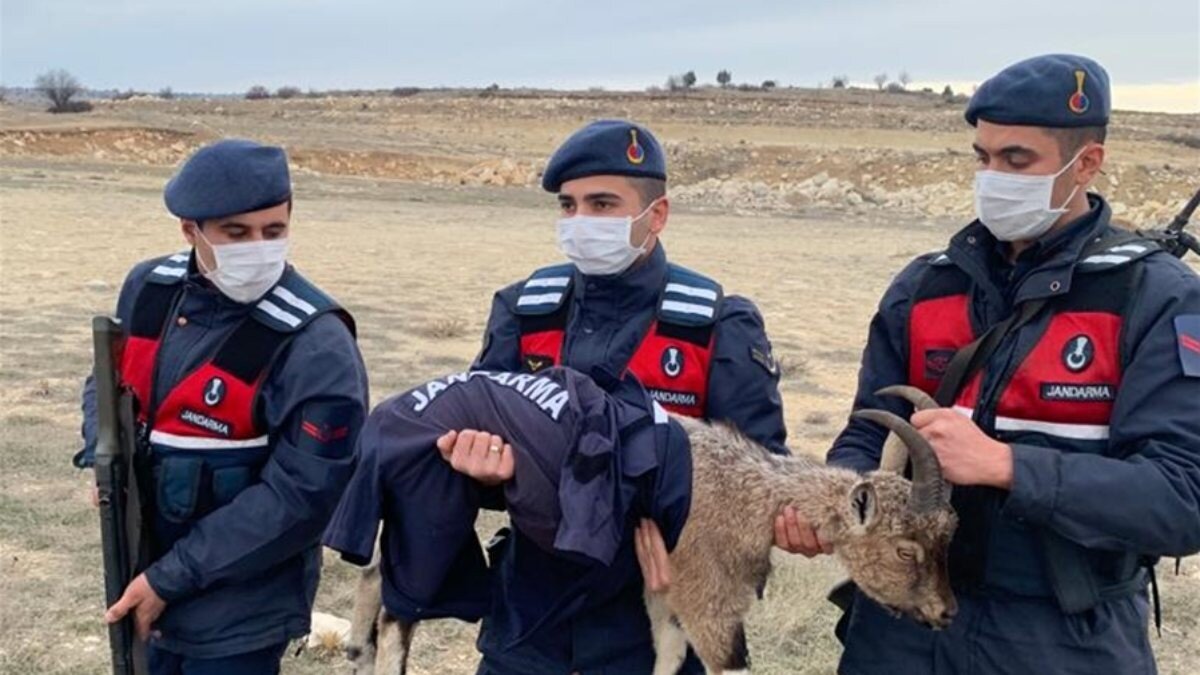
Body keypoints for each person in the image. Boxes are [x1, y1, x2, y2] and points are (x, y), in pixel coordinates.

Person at [821, 54, 1200, 674]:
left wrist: (1008, 467)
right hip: (902, 629)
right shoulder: (925, 288)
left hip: (1065, 636)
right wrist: (838, 499)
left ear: (1087, 164)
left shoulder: (1156, 299)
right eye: (983, 157)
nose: (994, 177)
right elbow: (867, 431)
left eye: (1017, 160)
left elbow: (1182, 499)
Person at [75, 139, 369, 675]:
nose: (258, 247)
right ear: (191, 230)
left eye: (273, 231)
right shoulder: (149, 289)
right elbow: (108, 384)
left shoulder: (317, 342)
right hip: (142, 570)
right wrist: (104, 456)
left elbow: (304, 495)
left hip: (241, 606)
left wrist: (170, 579)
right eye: (236, 233)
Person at [324, 367, 693, 674]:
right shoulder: (524, 311)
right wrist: (489, 479)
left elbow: (725, 467)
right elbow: (478, 420)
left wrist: (691, 560)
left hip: (634, 633)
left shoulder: (711, 323)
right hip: (523, 627)